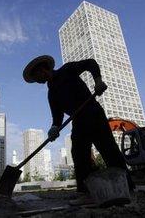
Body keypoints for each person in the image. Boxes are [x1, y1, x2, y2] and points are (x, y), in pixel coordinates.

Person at [23, 55, 135, 205]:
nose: (37, 81)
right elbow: (57, 116)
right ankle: (85, 192)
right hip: (79, 121)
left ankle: (128, 187)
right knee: (79, 154)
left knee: (109, 151)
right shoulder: (52, 93)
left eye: (36, 77)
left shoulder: (67, 70)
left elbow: (91, 63)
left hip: (93, 113)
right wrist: (54, 128)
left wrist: (98, 81)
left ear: (43, 70)